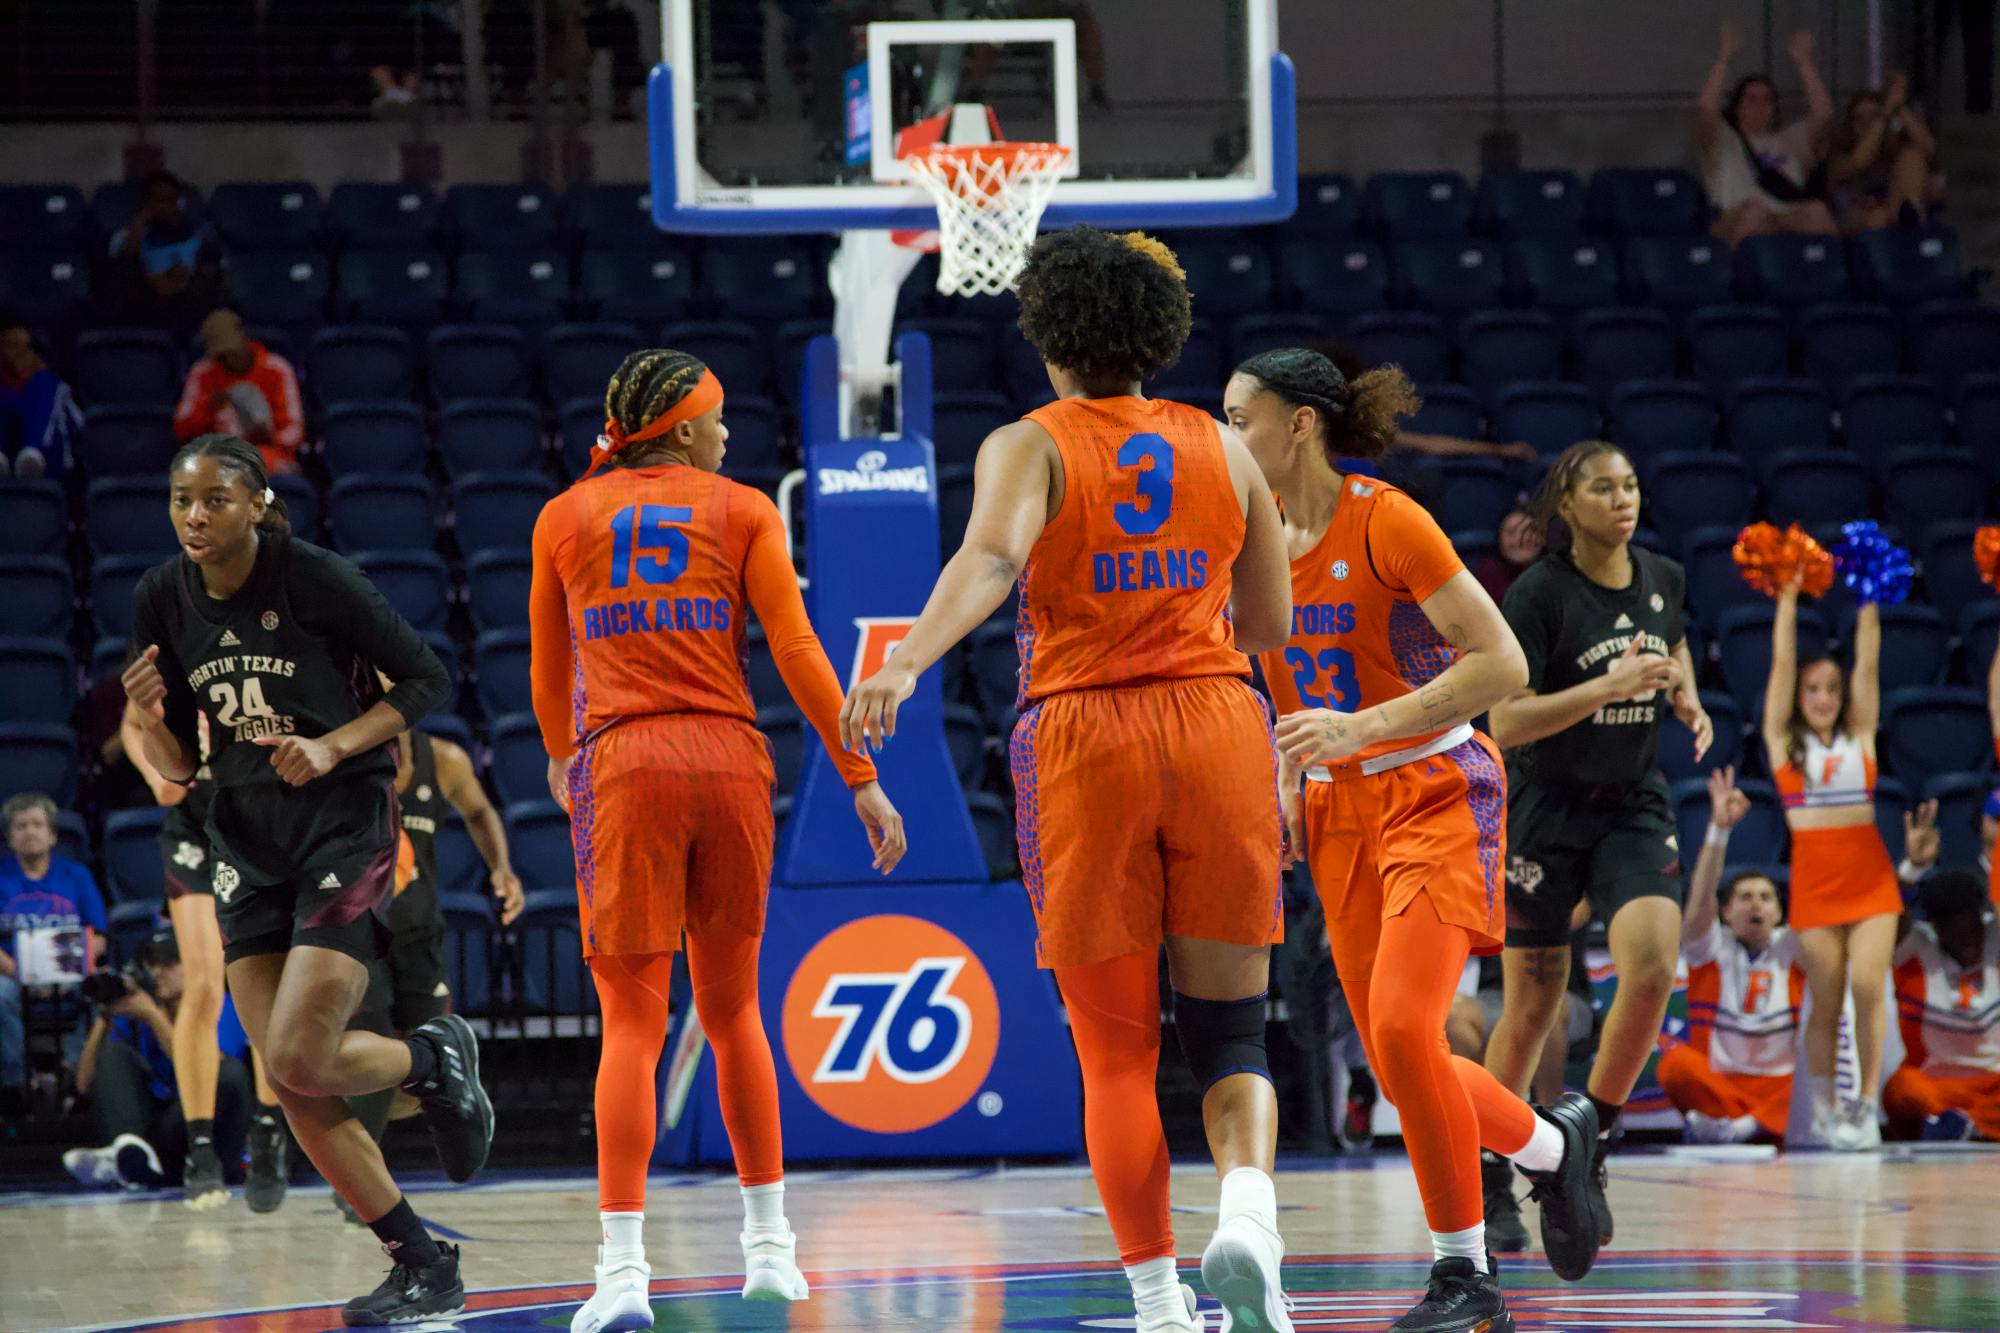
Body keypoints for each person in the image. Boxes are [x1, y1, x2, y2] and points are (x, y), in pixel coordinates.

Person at [844, 228, 1296, 1333]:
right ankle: (1245, 1212)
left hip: (1087, 735)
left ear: (1048, 337)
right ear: (1158, 333)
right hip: (1219, 724)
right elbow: (1270, 625)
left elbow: (991, 561)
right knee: (1231, 1032)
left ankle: (1155, 1301)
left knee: (1116, 1051)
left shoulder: (1030, 441)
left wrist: (904, 657)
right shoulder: (1224, 448)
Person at [528, 348, 906, 1333]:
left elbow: (546, 661)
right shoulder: (743, 509)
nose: (729, 432)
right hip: (728, 761)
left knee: (631, 1028)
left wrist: (564, 754)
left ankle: (620, 1272)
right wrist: (859, 776)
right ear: (684, 430)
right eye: (719, 417)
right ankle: (770, 1249)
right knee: (735, 1013)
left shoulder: (562, 515)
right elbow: (796, 650)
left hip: (626, 765)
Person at [1225, 346, 1599, 1330]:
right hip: (1338, 809)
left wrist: (1360, 729)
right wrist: (1289, 774)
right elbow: (1278, 670)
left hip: (1438, 789)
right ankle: (1557, 1152)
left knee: (1399, 1028)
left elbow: (1502, 663)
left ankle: (1463, 1274)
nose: (1226, 437)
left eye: (1238, 418)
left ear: (1298, 424)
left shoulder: (1384, 518)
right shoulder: (1246, 536)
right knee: (1404, 1062)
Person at [122, 433, 487, 1324]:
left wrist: (332, 742)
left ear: (259, 505)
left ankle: (435, 1054)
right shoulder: (161, 597)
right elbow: (175, 766)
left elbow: (426, 677)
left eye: (213, 500)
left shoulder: (316, 578)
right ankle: (420, 1258)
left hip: (343, 819)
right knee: (295, 1080)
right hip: (243, 834)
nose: (194, 517)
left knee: (295, 1053)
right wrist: (149, 717)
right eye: (180, 500)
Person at [1484, 439, 1712, 1249]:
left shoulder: (1662, 578)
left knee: (1653, 965)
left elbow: (1672, 646)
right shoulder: (1539, 595)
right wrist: (1606, 688)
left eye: (1633, 483)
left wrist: (1685, 697)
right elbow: (1505, 721)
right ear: (1566, 507)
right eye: (1605, 488)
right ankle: (1488, 1165)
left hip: (1632, 803)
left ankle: (1590, 1135)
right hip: (1547, 806)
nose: (1624, 499)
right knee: (1534, 1002)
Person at [339, 703, 523, 1208]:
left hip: (421, 935)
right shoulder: (343, 754)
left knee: (430, 1067)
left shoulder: (444, 759)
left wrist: (501, 869)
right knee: (370, 1049)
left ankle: (451, 1137)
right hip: (360, 934)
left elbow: (481, 812)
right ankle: (361, 1176)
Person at [118, 692, 289, 1211]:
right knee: (205, 985)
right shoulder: (167, 635)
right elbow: (131, 722)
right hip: (193, 823)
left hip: (257, 820)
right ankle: (200, 1149)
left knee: (261, 985)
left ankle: (266, 1134)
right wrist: (155, 776)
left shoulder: (269, 632)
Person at [1760, 575, 1900, 1150]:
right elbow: (1781, 663)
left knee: (1868, 986)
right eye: (1813, 688)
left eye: (1832, 690)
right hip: (1814, 886)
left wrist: (1870, 594)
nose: (1822, 697)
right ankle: (1825, 1105)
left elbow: (1868, 662)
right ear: (1799, 695)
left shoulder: (1860, 739)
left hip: (1871, 882)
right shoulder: (1780, 743)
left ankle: (1866, 1107)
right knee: (1826, 996)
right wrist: (1788, 598)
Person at [1655, 767, 1809, 1144]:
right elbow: (1700, 898)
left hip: (1780, 1087)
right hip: (1723, 1082)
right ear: (1725, 912)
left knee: (1817, 1077)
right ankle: (1744, 1125)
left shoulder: (1795, 946)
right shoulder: (1711, 947)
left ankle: (1741, 1128)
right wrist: (1718, 830)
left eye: (1765, 897)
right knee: (1676, 1065)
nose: (1755, 905)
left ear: (1779, 912)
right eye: (1744, 897)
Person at [62, 929, 256, 1192]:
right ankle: (128, 1151)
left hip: (209, 1129)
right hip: (162, 1131)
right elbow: (84, 1085)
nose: (157, 973)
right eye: (151, 965)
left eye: (168, 964)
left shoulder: (219, 1005)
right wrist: (104, 1018)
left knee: (229, 1074)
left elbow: (213, 1071)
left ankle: (121, 1165)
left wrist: (154, 1018)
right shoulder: (139, 1008)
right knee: (113, 1054)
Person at [0, 793, 109, 1101]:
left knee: (104, 992)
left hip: (71, 972)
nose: (30, 831)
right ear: (9, 837)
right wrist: (25, 974)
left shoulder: (77, 876)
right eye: (21, 826)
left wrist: (62, 973)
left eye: (37, 824)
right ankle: (17, 1081)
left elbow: (98, 935)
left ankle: (71, 1069)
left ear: (52, 835)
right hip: (13, 976)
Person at [1696, 23, 1839, 246]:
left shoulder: (1790, 139)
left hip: (1786, 215)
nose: (1760, 106)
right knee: (1756, 212)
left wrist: (1804, 61)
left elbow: (1824, 115)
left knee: (1817, 211)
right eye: (1751, 100)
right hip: (1736, 217)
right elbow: (1706, 109)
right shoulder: (1724, 139)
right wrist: (1723, 59)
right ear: (1737, 106)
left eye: (1767, 100)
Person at [1885, 868, 2000, 1140]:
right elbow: (1890, 921)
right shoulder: (1916, 949)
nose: (1969, 942)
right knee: (1901, 1089)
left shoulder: (1996, 941)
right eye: (1957, 934)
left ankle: (1967, 1126)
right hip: (1934, 1085)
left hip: (1993, 1085)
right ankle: (1970, 1127)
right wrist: (1909, 871)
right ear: (1937, 927)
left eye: (1973, 930)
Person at [173, 310, 306, 478]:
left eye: (232, 351)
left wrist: (270, 438)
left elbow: (294, 430)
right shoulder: (202, 372)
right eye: (222, 356)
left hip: (268, 454)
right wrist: (208, 408)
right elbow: (182, 428)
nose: (229, 360)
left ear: (244, 340)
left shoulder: (277, 369)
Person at [103, 170, 224, 332]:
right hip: (143, 307)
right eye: (158, 200)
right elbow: (122, 281)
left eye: (170, 201)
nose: (164, 207)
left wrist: (177, 282)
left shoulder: (200, 234)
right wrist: (135, 236)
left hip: (186, 306)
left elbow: (208, 274)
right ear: (146, 203)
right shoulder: (123, 238)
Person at [1827, 73, 1940, 233]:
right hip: (1849, 223)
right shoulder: (1838, 155)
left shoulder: (1893, 152)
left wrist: (1899, 106)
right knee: (1878, 217)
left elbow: (1928, 148)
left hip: (1894, 214)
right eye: (1860, 118)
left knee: (1912, 156)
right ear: (1850, 124)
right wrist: (1885, 112)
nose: (1867, 124)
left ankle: (1910, 220)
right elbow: (1859, 161)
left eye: (1873, 117)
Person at [0, 319, 82, 482]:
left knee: (45, 384)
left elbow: (79, 426)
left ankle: (32, 454)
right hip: (6, 460)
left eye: (25, 348)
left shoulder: (50, 384)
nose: (20, 355)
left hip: (50, 464)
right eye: (12, 348)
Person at [1471, 506, 1544, 607]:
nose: (1520, 540)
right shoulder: (1487, 573)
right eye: (1511, 533)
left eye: (1529, 532)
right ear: (1499, 539)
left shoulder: (1557, 573)